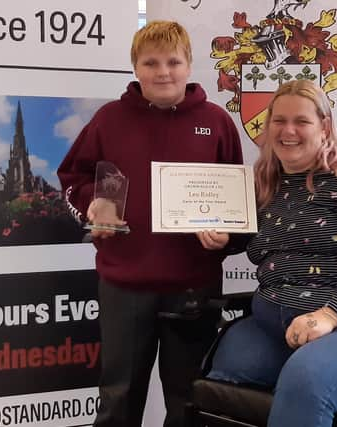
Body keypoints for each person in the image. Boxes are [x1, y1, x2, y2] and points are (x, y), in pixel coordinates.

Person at [200, 80, 337, 427]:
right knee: (226, 370)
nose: (288, 131)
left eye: (301, 122)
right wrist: (223, 237)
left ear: (324, 126)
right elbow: (250, 241)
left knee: (305, 383)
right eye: (278, 120)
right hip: (277, 322)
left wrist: (331, 314)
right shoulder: (266, 184)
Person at [57, 21, 243, 427]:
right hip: (124, 285)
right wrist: (94, 205)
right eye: (151, 62)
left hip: (194, 285)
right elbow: (73, 178)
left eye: (173, 61)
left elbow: (236, 200)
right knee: (119, 393)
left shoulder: (216, 122)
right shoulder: (109, 119)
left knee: (188, 397)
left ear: (190, 65)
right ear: (135, 67)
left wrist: (227, 238)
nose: (163, 71)